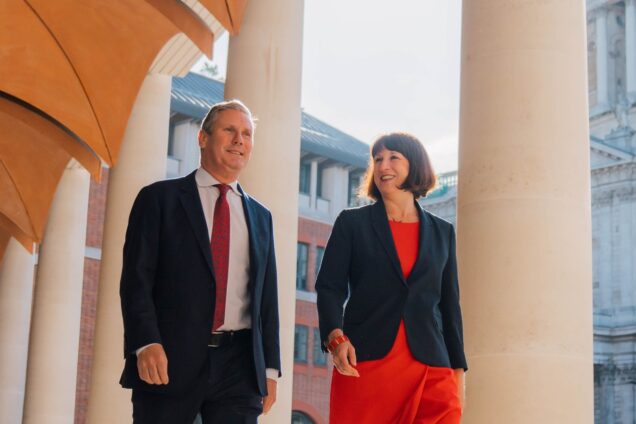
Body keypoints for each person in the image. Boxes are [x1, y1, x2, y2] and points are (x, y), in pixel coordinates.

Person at [119, 99, 281, 423]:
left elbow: (267, 299)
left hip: (240, 365)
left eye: (247, 134)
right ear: (202, 138)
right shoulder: (159, 200)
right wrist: (145, 342)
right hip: (169, 356)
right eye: (230, 131)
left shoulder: (261, 217)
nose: (240, 141)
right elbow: (136, 280)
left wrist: (270, 368)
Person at [316, 132, 467, 424]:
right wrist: (335, 337)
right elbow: (329, 288)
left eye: (393, 157)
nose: (383, 166)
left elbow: (450, 308)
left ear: (416, 165)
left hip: (432, 369)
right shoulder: (352, 224)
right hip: (367, 364)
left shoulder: (442, 232)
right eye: (378, 159)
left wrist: (458, 374)